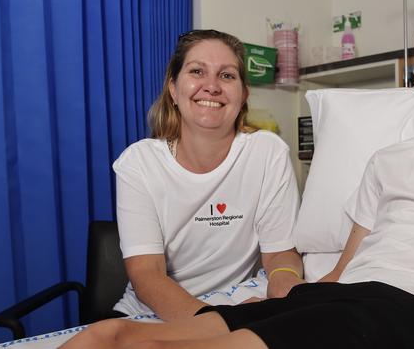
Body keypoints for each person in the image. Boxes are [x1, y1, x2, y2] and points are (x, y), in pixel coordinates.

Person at [61, 0, 414, 349]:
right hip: (338, 301)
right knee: (109, 337)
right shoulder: (387, 163)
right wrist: (289, 300)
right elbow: (344, 271)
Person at [108, 29, 304, 323]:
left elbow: (280, 255)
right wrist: (213, 323)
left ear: (243, 94)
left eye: (226, 76)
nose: (211, 86)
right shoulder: (139, 163)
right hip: (154, 314)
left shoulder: (268, 152)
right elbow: (147, 275)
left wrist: (288, 290)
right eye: (197, 71)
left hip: (240, 303)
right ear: (173, 89)